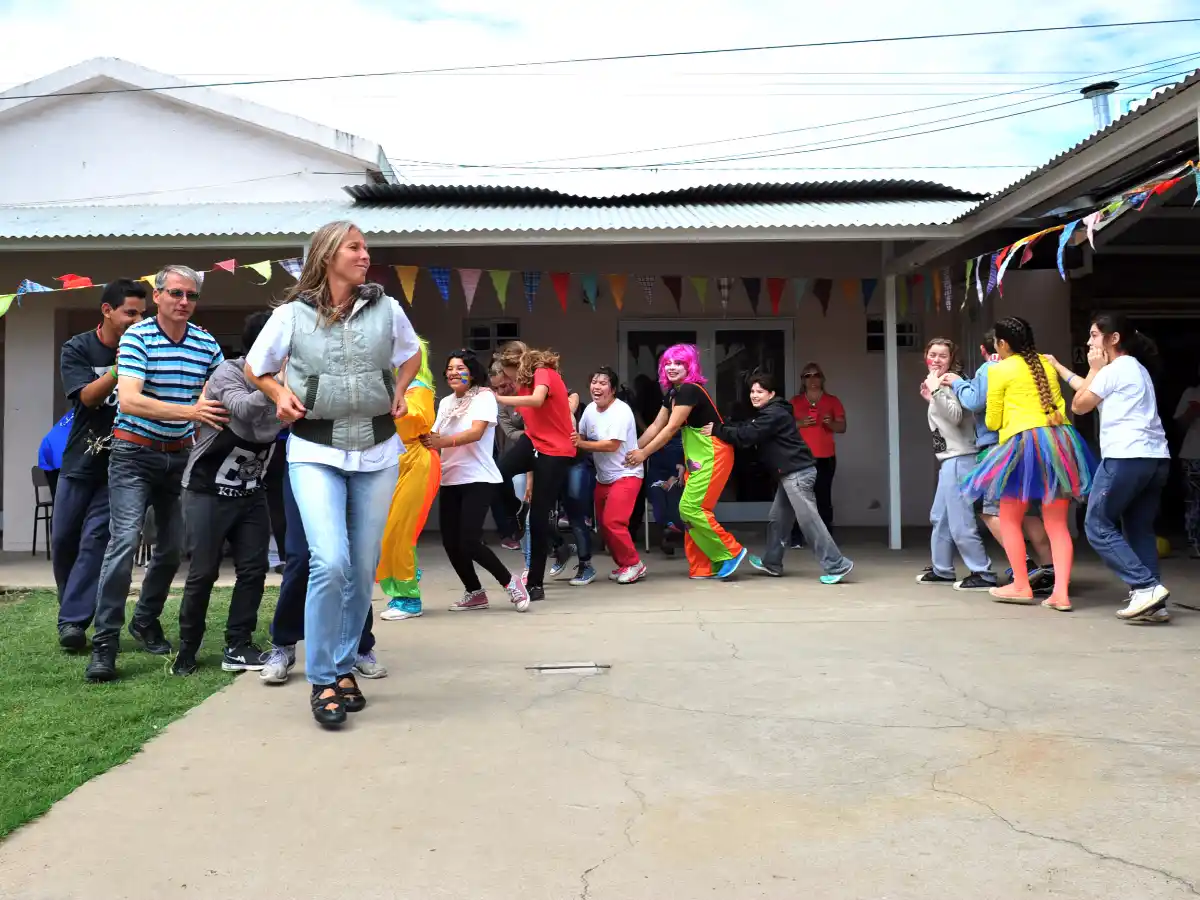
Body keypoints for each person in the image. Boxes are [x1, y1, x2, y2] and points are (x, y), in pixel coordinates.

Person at [246, 220, 421, 728]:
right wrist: (280, 394)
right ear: (327, 256)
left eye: (366, 247)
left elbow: (411, 354)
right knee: (329, 560)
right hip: (314, 449)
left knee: (361, 565)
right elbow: (257, 366)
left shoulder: (387, 309)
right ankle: (323, 678)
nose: (365, 255)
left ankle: (345, 666)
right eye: (355, 247)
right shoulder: (290, 316)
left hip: (377, 449)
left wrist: (402, 390)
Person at [84, 266, 227, 683]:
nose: (184, 302)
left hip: (181, 456)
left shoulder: (205, 343)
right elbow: (129, 400)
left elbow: (219, 387)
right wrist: (192, 412)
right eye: (177, 294)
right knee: (125, 541)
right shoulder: (137, 337)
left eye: (192, 296)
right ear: (158, 295)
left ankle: (145, 619)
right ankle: (105, 643)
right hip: (133, 452)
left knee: (172, 547)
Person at [172, 312, 280, 676]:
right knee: (203, 572)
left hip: (251, 491)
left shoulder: (286, 380)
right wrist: (277, 385)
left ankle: (238, 645)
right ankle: (188, 647)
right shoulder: (228, 373)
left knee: (254, 569)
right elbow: (244, 410)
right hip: (206, 491)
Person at [961, 317, 1093, 612]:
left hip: (1021, 446)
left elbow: (993, 420)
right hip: (1059, 444)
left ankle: (1021, 584)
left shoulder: (1000, 369)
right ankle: (1061, 593)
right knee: (1057, 523)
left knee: (1008, 517)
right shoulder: (1045, 365)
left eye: (996, 342)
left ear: (1003, 344)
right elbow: (1056, 406)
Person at [1048, 313, 1172, 623]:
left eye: (1093, 335)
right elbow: (1087, 389)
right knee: (1139, 528)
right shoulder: (1134, 368)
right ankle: (1152, 599)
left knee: (1097, 524)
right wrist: (1060, 368)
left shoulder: (1113, 369)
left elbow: (1079, 405)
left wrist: (1093, 368)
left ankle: (1145, 587)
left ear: (1113, 338)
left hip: (1125, 457)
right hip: (1155, 459)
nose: (1089, 342)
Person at [52, 279, 147, 651]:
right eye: (131, 313)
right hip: (79, 461)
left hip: (122, 465)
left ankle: (74, 622)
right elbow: (88, 399)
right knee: (63, 543)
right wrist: (120, 367)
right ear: (107, 311)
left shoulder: (147, 348)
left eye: (143, 313)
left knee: (95, 540)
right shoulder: (78, 347)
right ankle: (71, 609)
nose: (138, 320)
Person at [705, 373, 853, 583]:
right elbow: (747, 426)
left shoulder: (774, 414)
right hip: (789, 474)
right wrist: (726, 425)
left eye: (760, 392)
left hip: (797, 475)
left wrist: (717, 430)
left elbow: (748, 435)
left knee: (810, 521)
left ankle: (837, 564)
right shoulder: (770, 412)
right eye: (752, 391)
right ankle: (772, 563)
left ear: (771, 394)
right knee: (778, 520)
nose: (754, 396)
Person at [943, 331, 1055, 595]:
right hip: (1031, 443)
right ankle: (1051, 570)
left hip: (998, 448)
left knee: (990, 509)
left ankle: (1024, 570)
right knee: (1027, 511)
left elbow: (975, 402)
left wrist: (959, 384)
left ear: (988, 348)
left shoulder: (991, 367)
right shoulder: (1032, 367)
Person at [420, 349, 530, 612]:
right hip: (450, 478)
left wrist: (441, 442)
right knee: (450, 542)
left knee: (469, 540)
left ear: (472, 371)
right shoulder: (446, 402)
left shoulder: (484, 397)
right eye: (450, 369)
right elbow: (433, 434)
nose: (454, 373)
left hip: (478, 478)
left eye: (460, 368)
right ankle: (474, 591)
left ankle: (510, 582)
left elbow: (476, 432)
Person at [627, 344, 746, 579]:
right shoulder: (673, 393)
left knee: (691, 508)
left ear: (689, 366)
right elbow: (655, 426)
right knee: (691, 511)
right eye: (668, 363)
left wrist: (644, 454)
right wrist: (632, 450)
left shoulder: (689, 390)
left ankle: (730, 551)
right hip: (697, 456)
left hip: (712, 453)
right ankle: (703, 566)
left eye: (678, 363)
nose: (672, 367)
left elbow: (671, 428)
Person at [495, 341, 578, 602]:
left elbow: (538, 400)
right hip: (533, 442)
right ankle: (516, 521)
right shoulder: (523, 382)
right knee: (496, 475)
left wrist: (498, 398)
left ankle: (535, 584)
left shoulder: (542, 372)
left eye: (508, 374)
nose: (509, 381)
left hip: (556, 451)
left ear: (518, 365)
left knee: (540, 519)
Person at [916, 339, 996, 591]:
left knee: (960, 520)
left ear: (951, 359)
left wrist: (936, 392)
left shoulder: (952, 380)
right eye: (932, 355)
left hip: (961, 457)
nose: (936, 360)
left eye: (942, 355)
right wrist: (932, 397)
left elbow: (956, 415)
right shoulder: (938, 383)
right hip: (949, 457)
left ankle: (982, 571)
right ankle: (942, 569)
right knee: (939, 516)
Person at [377, 339, 441, 621]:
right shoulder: (398, 387)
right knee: (389, 533)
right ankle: (402, 589)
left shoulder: (420, 389)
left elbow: (413, 417)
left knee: (400, 533)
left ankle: (408, 598)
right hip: (396, 464)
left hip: (416, 463)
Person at [574, 367, 647, 584]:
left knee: (614, 521)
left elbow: (612, 445)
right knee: (605, 527)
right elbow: (581, 434)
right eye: (594, 382)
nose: (597, 387)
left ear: (613, 389)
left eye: (603, 383)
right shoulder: (589, 411)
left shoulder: (621, 411)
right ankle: (624, 564)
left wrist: (580, 444)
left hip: (627, 473)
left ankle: (635, 564)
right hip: (603, 477)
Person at [788, 362, 844, 546]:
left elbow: (842, 427)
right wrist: (800, 423)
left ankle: (826, 539)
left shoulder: (832, 400)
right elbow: (783, 427)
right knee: (799, 499)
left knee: (823, 497)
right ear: (802, 381)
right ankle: (797, 537)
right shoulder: (795, 402)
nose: (812, 379)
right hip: (800, 456)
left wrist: (830, 424)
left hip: (825, 456)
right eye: (807, 376)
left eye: (816, 375)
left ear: (822, 378)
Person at [1173, 363, 1200, 558]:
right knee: (1194, 501)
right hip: (1193, 453)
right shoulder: (1191, 393)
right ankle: (1194, 543)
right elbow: (1179, 424)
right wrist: (1193, 411)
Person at [37, 412, 73, 500]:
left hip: (47, 445)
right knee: (68, 502)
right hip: (63, 450)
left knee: (58, 500)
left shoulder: (77, 409)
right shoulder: (95, 408)